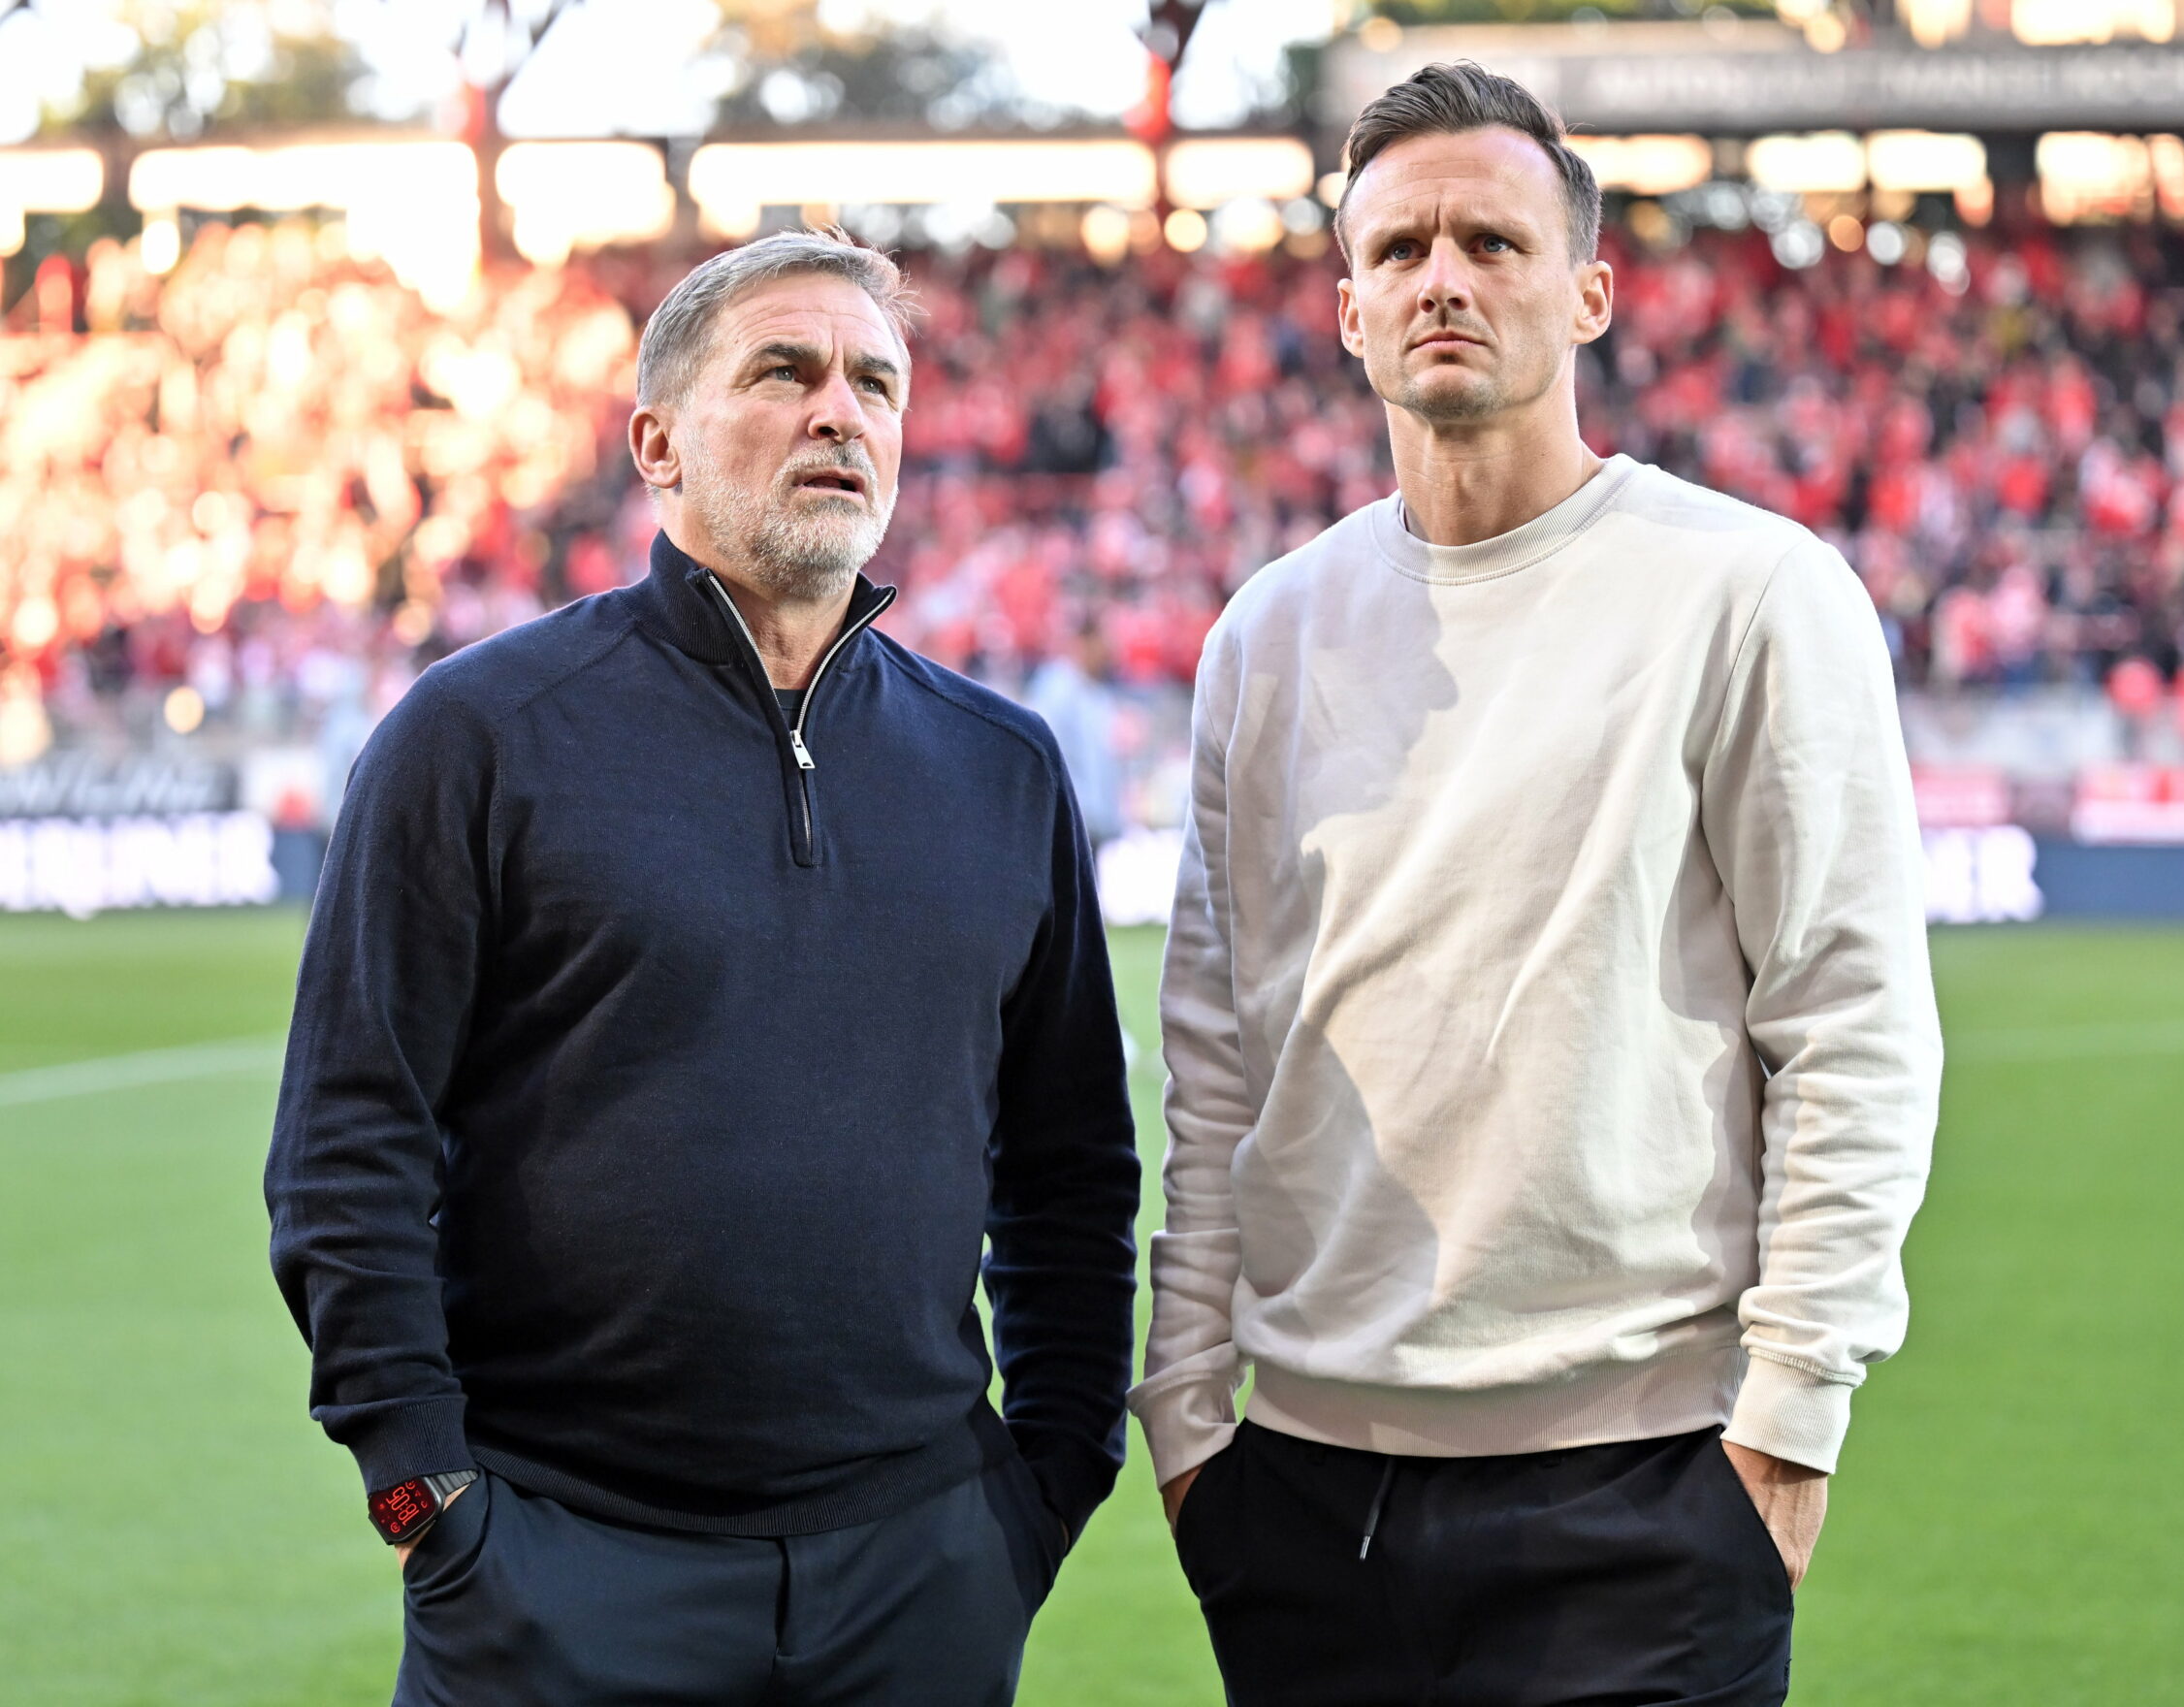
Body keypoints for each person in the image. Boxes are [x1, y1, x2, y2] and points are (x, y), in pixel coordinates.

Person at [1132, 64, 1943, 1707]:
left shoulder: (1751, 595)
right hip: (1300, 1487)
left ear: (1587, 292)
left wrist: (1785, 1426)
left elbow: (1852, 1027)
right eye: (1402, 247)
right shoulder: (1266, 635)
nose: (1444, 276)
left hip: (1643, 1489)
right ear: (1348, 307)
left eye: (1493, 242)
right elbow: (1214, 1059)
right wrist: (1189, 1412)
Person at [266, 229, 1140, 1707]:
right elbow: (347, 1143)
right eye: (783, 373)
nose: (838, 413)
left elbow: (1070, 1170)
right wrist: (426, 1496)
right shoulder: (480, 735)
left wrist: (1048, 1483)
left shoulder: (1002, 767)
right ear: (657, 445)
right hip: (563, 1563)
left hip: (919, 1574)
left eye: (875, 383)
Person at [1024, 623, 1126, 849]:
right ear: (1084, 644)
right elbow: (1044, 747)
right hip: (1067, 818)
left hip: (1092, 822)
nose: (1108, 654)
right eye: (1103, 645)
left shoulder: (1097, 694)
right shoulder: (1058, 686)